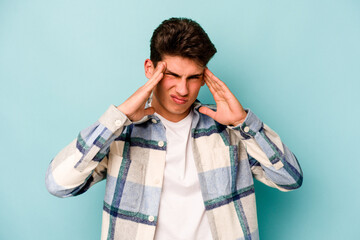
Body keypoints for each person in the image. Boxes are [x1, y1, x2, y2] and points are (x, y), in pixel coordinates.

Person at [45, 17, 303, 240]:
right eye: (173, 76)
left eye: (193, 77)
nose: (182, 90)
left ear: (204, 77)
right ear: (150, 69)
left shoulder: (229, 131)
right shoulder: (121, 133)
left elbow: (291, 179)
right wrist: (118, 118)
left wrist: (243, 123)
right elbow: (59, 184)